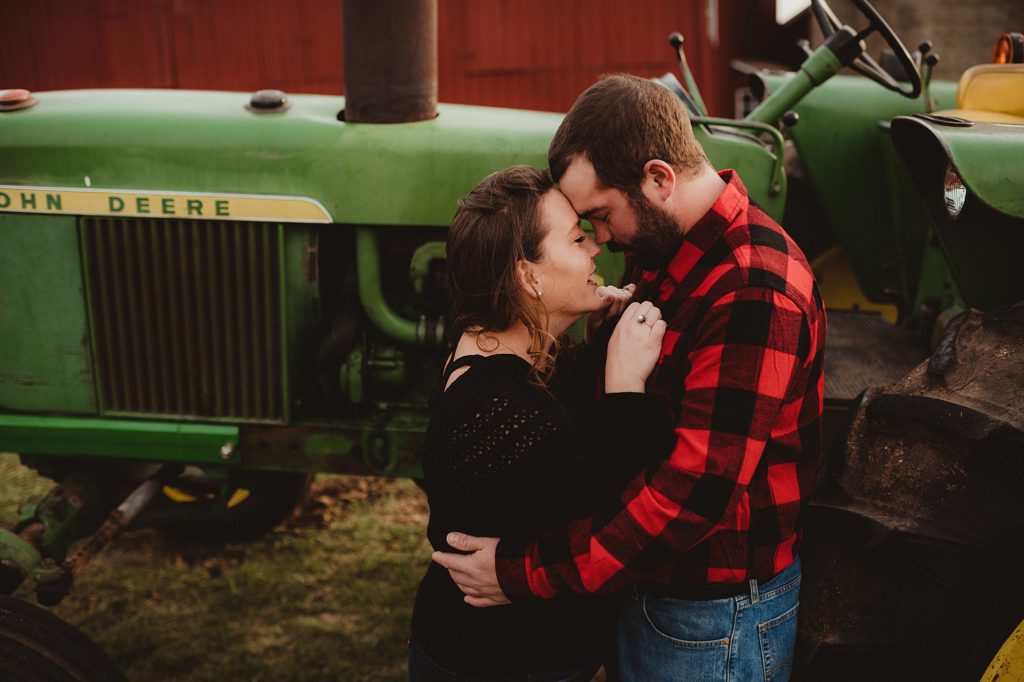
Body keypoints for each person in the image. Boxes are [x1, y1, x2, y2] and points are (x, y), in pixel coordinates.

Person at [432, 74, 827, 682]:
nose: (602, 241)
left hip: (709, 619)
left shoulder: (752, 288)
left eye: (600, 217)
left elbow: (689, 497)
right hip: (647, 591)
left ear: (658, 179)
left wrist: (523, 572)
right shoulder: (667, 253)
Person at [408, 165, 676, 681]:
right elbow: (612, 503)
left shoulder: (497, 353)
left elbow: (554, 466)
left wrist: (597, 342)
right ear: (528, 276)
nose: (597, 248)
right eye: (577, 239)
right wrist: (624, 383)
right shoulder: (494, 411)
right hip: (492, 665)